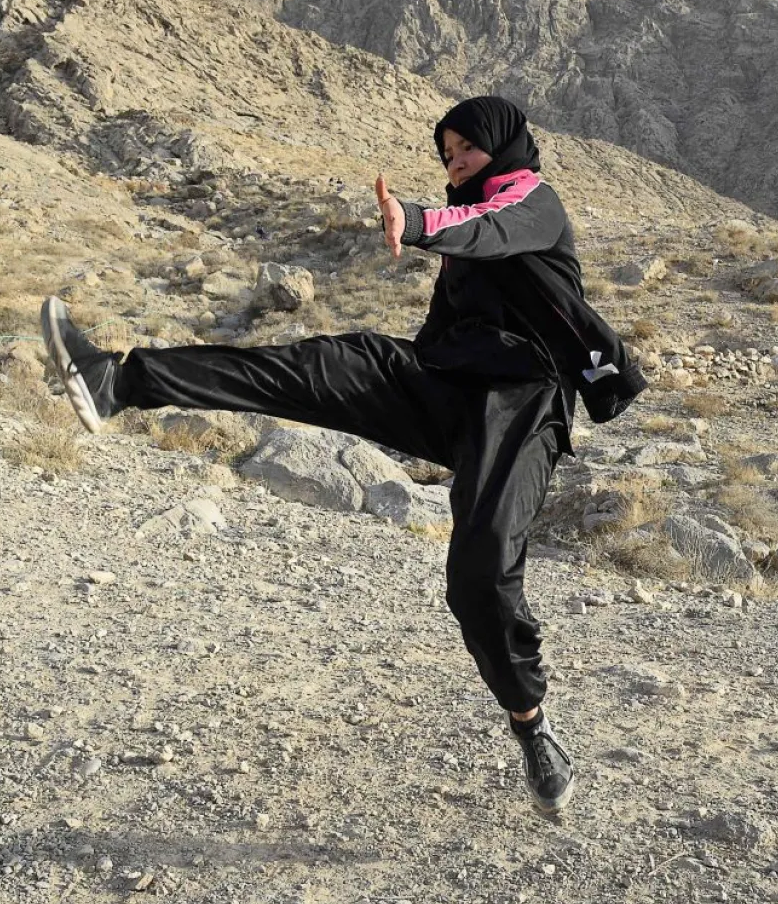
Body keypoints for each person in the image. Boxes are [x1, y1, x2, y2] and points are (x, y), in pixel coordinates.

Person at [39, 96, 646, 813]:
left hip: (523, 404)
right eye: (445, 153)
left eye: (466, 150)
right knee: (318, 365)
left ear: (503, 144)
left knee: (478, 579)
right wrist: (395, 373)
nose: (454, 163)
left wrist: (417, 221)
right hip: (445, 382)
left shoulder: (533, 202)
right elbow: (454, 296)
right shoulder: (466, 237)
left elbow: (488, 230)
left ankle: (531, 725)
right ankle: (117, 381)